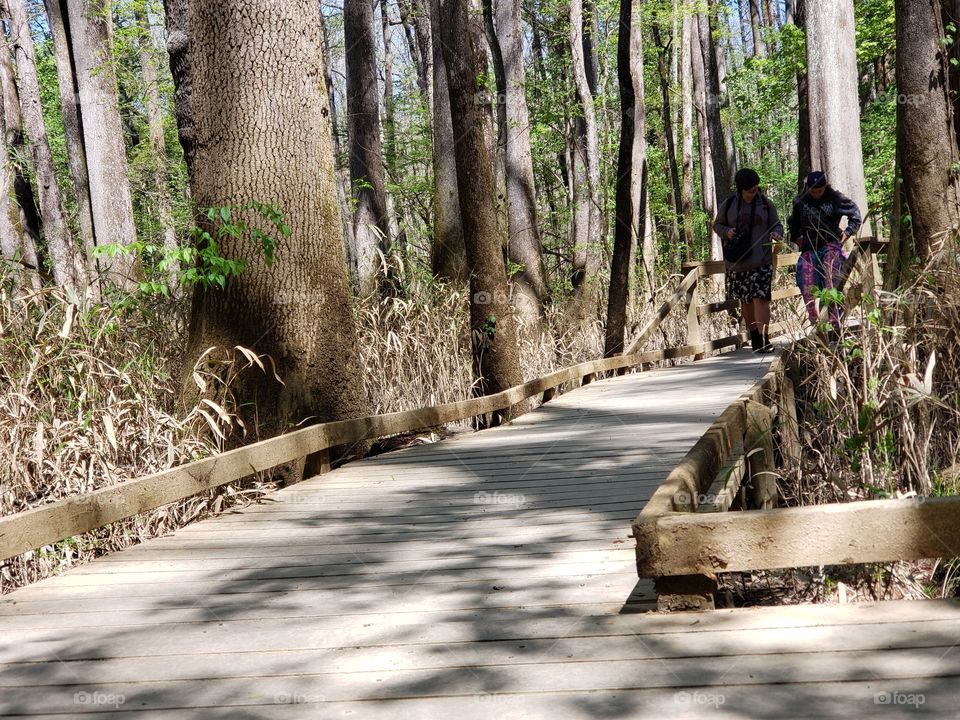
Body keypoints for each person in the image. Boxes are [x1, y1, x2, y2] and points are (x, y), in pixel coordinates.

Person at [713, 168, 783, 353]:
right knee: (746, 300)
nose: (753, 192)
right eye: (749, 190)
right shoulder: (729, 205)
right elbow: (717, 225)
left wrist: (777, 234)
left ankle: (764, 338)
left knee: (761, 298)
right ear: (740, 189)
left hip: (762, 259)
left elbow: (777, 225)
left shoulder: (766, 204)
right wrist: (727, 232)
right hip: (738, 262)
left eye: (755, 188)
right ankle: (755, 337)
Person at [787, 171, 862, 332]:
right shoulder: (800, 200)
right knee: (804, 280)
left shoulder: (835, 198)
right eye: (813, 191)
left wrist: (847, 233)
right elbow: (792, 222)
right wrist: (796, 238)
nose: (816, 194)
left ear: (825, 186)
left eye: (819, 191)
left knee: (831, 282)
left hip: (830, 245)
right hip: (808, 248)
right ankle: (816, 322)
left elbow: (855, 215)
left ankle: (834, 324)